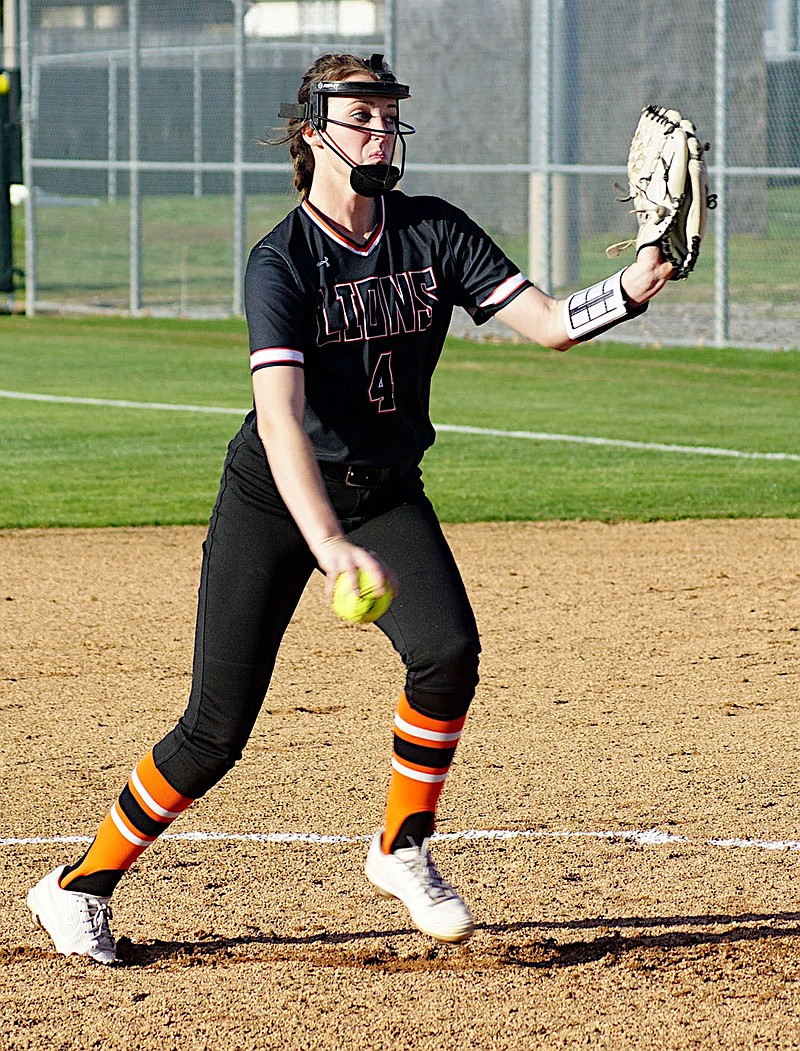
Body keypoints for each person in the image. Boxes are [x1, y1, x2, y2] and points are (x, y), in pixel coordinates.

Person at [26, 52, 673, 964]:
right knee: (215, 729)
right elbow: (282, 422)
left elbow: (554, 322)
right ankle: (76, 886)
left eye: (386, 116)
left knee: (448, 654)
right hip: (275, 500)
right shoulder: (280, 262)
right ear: (312, 134)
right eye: (360, 117)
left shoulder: (433, 232)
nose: (379, 132)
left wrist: (635, 285)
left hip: (381, 491)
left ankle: (401, 846)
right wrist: (325, 542)